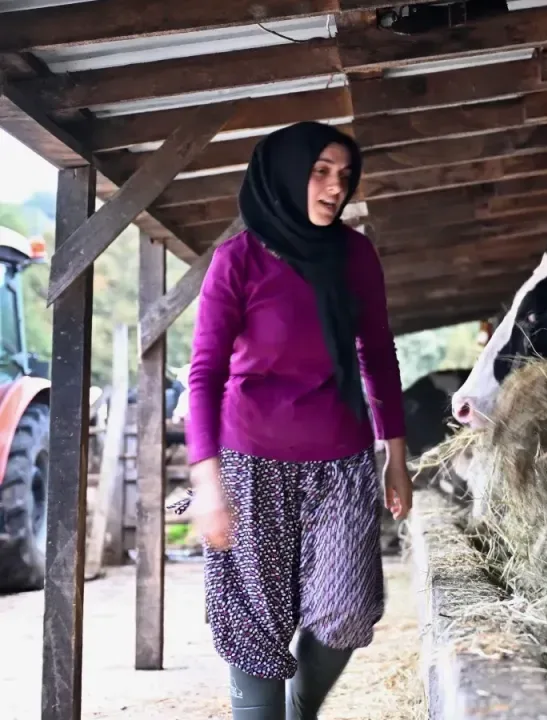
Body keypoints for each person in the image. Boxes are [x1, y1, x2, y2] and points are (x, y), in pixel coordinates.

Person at [180, 121, 413, 720]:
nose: (336, 187)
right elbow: (203, 374)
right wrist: (208, 482)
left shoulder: (355, 255)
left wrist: (397, 455)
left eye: (344, 175)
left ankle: (300, 709)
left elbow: (377, 353)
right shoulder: (238, 262)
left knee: (347, 609)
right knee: (255, 618)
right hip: (250, 461)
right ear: (286, 175)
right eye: (320, 172)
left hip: (341, 459)